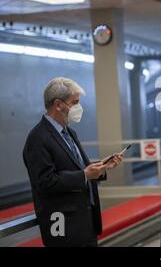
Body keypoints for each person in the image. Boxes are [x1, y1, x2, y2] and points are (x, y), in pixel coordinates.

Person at [23, 77, 123, 247]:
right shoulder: (38, 138)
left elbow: (80, 169)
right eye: (75, 102)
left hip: (85, 222)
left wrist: (103, 166)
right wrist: (84, 175)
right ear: (58, 104)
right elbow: (45, 181)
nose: (79, 107)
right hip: (63, 226)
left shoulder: (69, 133)